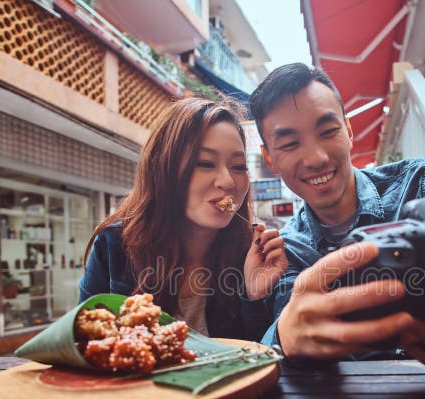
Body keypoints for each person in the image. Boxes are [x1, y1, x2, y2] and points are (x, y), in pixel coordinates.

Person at [248, 63, 425, 383]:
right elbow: (293, 343)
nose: (316, 157)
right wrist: (284, 336)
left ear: (348, 130)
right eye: (290, 144)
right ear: (270, 159)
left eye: (328, 131)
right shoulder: (288, 249)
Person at [79, 97, 288, 341]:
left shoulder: (253, 254)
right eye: (205, 163)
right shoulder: (114, 246)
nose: (228, 182)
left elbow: (258, 361)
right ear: (163, 169)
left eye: (239, 166)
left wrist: (256, 296)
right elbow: (83, 341)